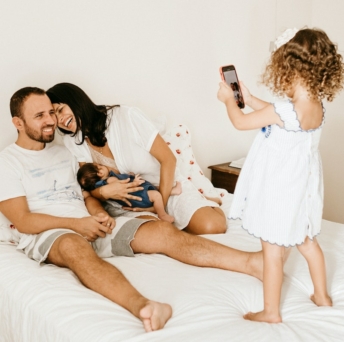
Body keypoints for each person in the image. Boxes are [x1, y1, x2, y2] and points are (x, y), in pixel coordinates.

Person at [0, 87, 264, 332]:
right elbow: (23, 221)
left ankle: (251, 262)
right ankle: (144, 307)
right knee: (73, 247)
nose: (50, 121)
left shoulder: (64, 152)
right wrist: (77, 224)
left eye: (51, 112)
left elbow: (85, 195)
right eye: (40, 115)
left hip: (94, 222)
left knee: (161, 230)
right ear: (18, 123)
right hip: (56, 232)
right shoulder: (8, 161)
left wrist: (98, 213)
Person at [217, 28, 344, 323]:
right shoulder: (315, 108)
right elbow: (275, 112)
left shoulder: (286, 111)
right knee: (308, 243)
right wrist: (248, 97)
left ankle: (271, 312)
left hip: (281, 190)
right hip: (303, 189)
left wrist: (228, 100)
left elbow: (241, 122)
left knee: (272, 252)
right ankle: (322, 296)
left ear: (291, 70)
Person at [46, 84, 227, 235]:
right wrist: (105, 193)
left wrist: (158, 207)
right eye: (54, 116)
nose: (60, 119)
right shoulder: (72, 140)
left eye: (60, 109)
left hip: (165, 188)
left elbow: (168, 160)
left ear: (76, 101)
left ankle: (208, 201)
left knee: (212, 227)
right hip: (126, 202)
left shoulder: (126, 116)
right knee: (157, 234)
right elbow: (89, 185)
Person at [77, 162, 182, 223]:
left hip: (134, 199)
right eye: (100, 166)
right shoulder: (110, 180)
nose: (103, 166)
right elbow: (125, 185)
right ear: (100, 172)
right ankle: (162, 214)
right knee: (156, 195)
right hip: (138, 195)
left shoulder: (106, 183)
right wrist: (135, 181)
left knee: (154, 188)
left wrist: (128, 174)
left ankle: (173, 191)